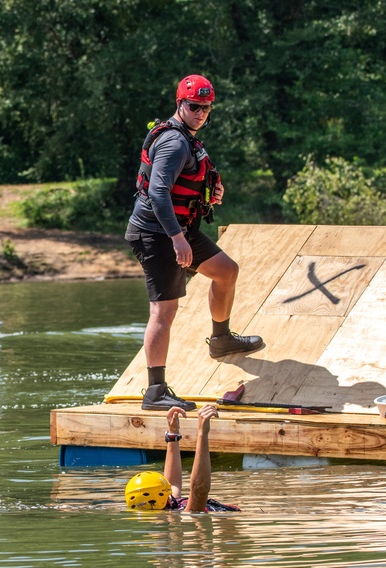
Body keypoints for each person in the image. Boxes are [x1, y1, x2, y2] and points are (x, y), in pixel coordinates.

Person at [125, 74, 263, 411]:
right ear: (180, 104)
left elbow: (185, 184)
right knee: (163, 311)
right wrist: (177, 240)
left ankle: (221, 338)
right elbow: (158, 192)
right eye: (194, 106)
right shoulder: (174, 142)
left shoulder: (187, 138)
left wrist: (212, 193)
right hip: (157, 234)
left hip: (180, 228)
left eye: (206, 107)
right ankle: (155, 391)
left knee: (226, 271)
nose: (201, 112)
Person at [124, 404, 240, 512]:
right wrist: (202, 434)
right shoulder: (188, 514)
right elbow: (199, 490)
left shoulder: (167, 507)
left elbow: (173, 484)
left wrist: (172, 434)